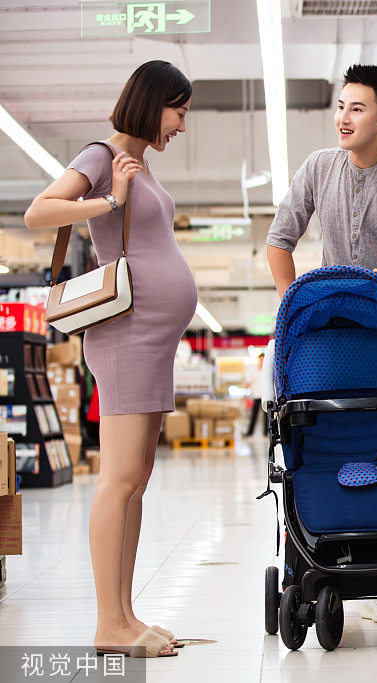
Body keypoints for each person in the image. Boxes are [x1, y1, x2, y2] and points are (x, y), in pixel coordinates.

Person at [24, 60, 196, 658]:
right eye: (179, 111)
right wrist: (109, 201)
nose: (181, 125)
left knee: (137, 482)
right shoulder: (100, 156)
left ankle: (125, 614)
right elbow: (39, 212)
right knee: (119, 480)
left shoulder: (137, 162)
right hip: (125, 337)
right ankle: (108, 624)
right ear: (154, 103)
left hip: (152, 340)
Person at [266, 64, 377, 331]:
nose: (343, 118)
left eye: (357, 109)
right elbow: (279, 240)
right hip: (332, 325)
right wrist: (290, 301)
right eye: (341, 107)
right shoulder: (318, 167)